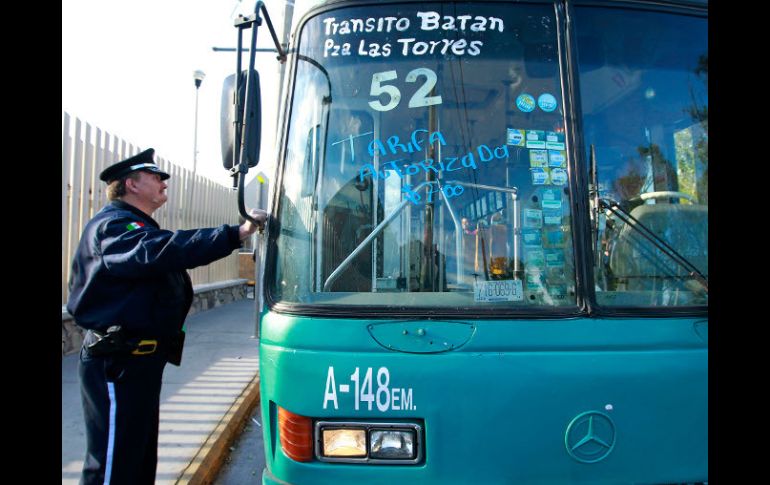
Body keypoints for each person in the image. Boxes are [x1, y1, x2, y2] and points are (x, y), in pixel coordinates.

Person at [66, 148, 267, 485]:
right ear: (131, 184)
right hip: (117, 361)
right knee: (114, 465)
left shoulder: (134, 225)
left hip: (138, 361)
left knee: (138, 456)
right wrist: (236, 234)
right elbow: (159, 251)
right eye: (155, 177)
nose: (163, 182)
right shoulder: (114, 226)